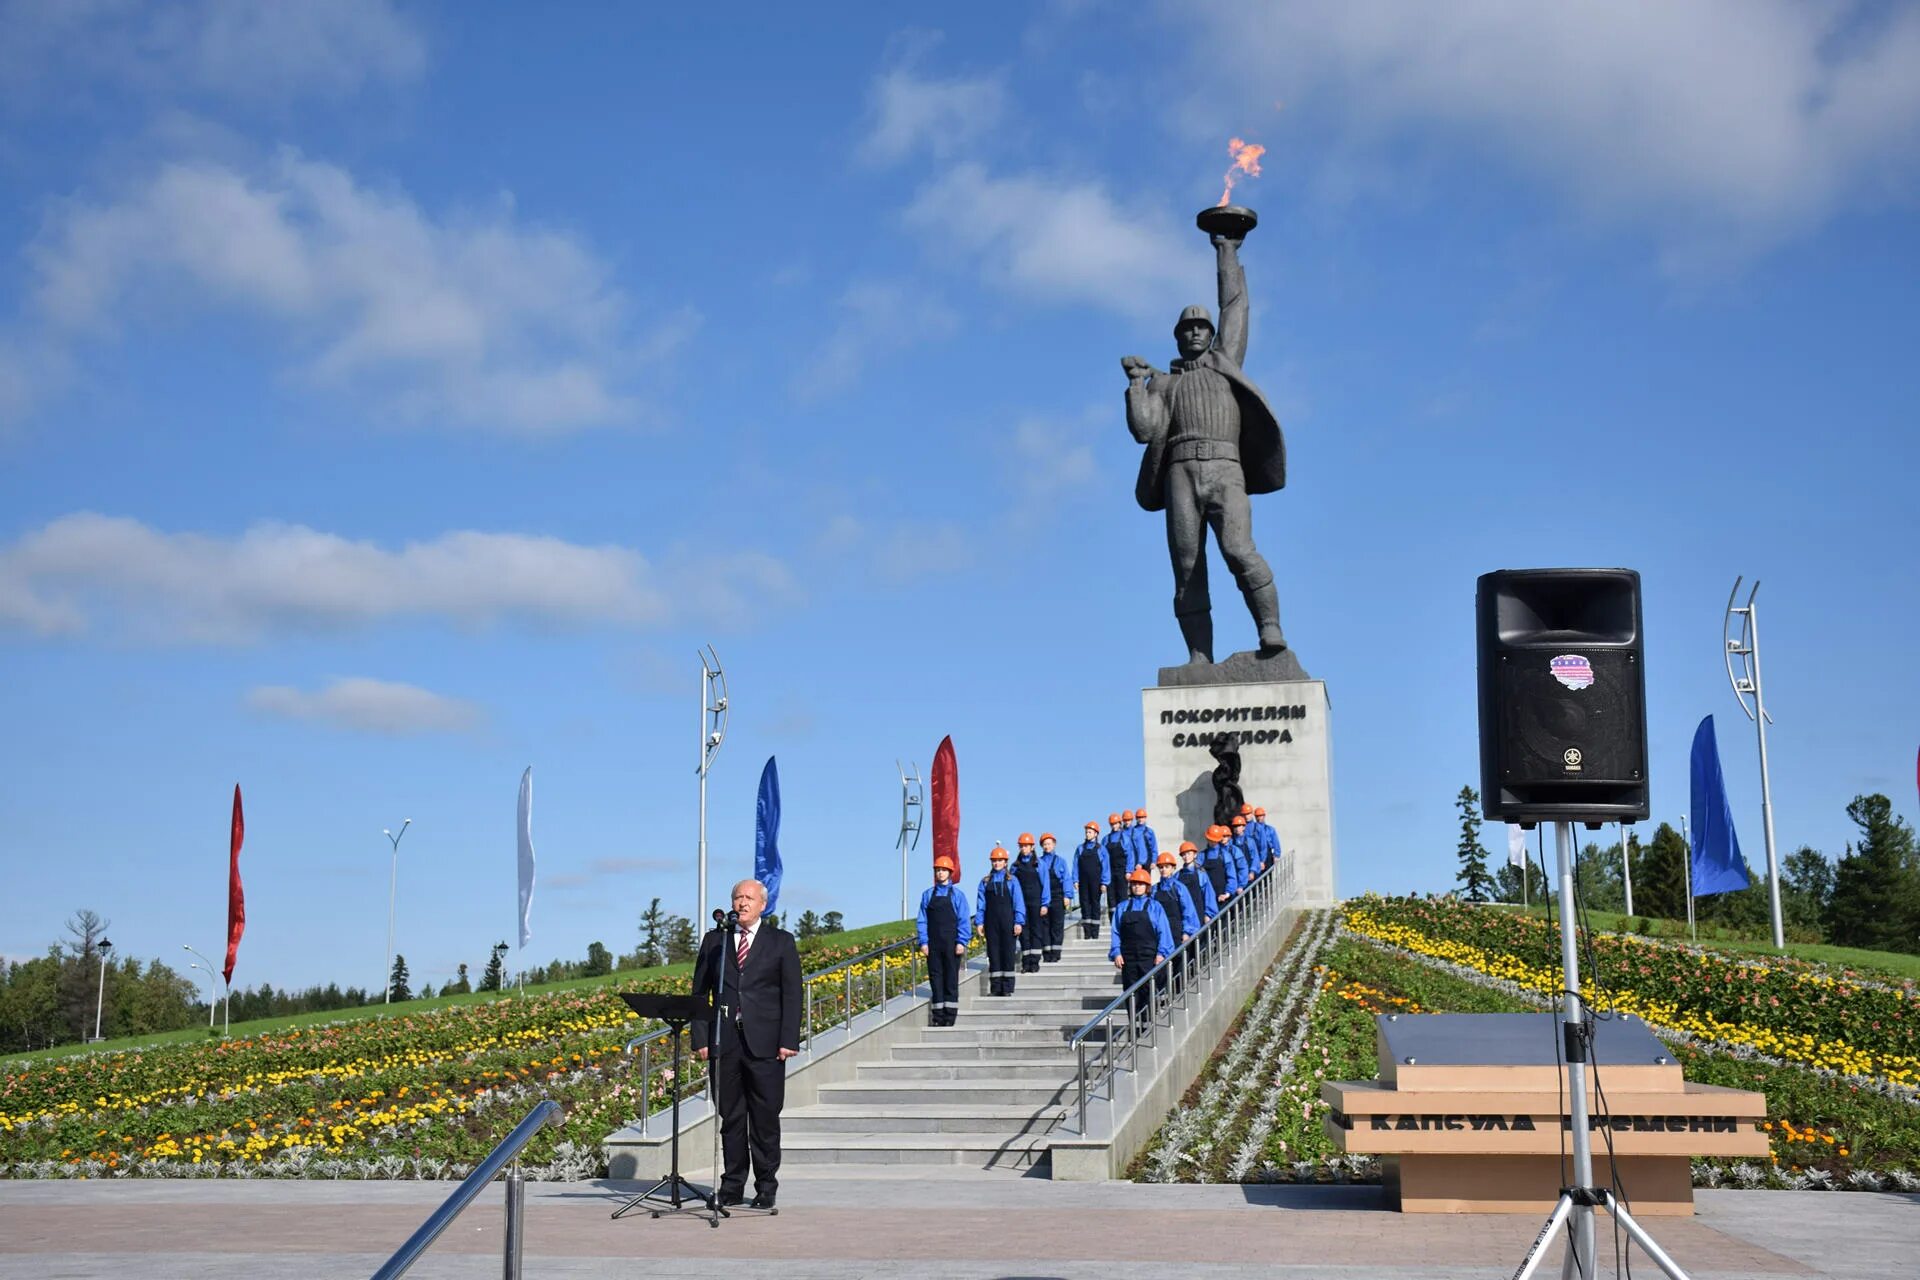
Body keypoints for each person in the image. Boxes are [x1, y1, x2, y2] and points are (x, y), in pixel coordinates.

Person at [1121, 226, 1287, 665]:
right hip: (1179, 473)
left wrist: (1226, 249)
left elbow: (1236, 306)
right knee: (1188, 568)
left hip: (1226, 468)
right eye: (1187, 328)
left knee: (1238, 548)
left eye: (1201, 327)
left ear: (1211, 334)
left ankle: (1270, 628)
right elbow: (1144, 431)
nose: (1195, 333)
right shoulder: (1165, 383)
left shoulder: (1224, 362)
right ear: (1177, 336)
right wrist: (1137, 386)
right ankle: (1199, 656)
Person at [692, 878, 801, 1211]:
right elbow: (699, 993)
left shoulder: (780, 942)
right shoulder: (716, 941)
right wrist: (701, 1038)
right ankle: (731, 1185)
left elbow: (792, 994)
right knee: (732, 1117)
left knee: (765, 1118)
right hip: (724, 1042)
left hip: (767, 1043)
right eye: (737, 897)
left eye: (748, 898)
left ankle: (766, 1185)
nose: (741, 903)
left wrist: (788, 1039)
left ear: (762, 905)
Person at [1109, 868, 1174, 1031]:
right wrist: (1116, 952)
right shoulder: (1122, 907)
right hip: (1128, 958)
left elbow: (1163, 931)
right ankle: (1134, 1027)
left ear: (1147, 887)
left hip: (1149, 957)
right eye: (1135, 884)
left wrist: (1161, 953)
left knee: (1148, 992)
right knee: (1130, 993)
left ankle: (1148, 1027)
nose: (1137, 887)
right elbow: (1115, 932)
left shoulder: (1155, 907)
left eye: (1141, 884)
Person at [916, 856, 971, 1026]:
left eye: (943, 870)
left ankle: (950, 1016)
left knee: (951, 979)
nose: (940, 873)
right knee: (935, 978)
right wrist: (923, 942)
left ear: (950, 873)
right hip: (933, 944)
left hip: (952, 943)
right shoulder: (927, 895)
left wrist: (962, 941)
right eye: (938, 870)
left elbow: (963, 919)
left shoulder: (957, 895)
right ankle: (938, 1015)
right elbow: (922, 920)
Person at [973, 846, 1026, 996]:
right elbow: (981, 904)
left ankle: (1007, 988)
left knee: (1008, 954)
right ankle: (996, 988)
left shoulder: (1012, 881)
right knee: (994, 954)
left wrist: (1019, 922)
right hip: (991, 923)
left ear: (1005, 862)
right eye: (994, 861)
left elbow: (1018, 902)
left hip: (1008, 922)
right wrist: (980, 922)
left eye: (1000, 860)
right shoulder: (984, 882)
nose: (997, 863)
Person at [1010, 834, 1050, 974]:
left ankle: (1035, 962)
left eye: (1026, 846)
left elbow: (1045, 885)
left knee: (1036, 932)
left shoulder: (1040, 864)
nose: (1024, 849)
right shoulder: (1015, 867)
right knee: (1024, 934)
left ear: (1032, 847)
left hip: (1036, 903)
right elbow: (1011, 887)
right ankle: (1025, 962)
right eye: (1021, 846)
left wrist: (1045, 904)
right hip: (1021, 904)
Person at [1036, 833, 1072, 963]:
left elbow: (1066, 879)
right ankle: (1046, 953)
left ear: (1054, 844)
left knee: (1057, 926)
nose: (1047, 846)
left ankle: (1056, 953)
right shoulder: (1038, 862)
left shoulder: (1060, 861)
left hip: (1057, 896)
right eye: (1044, 844)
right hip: (1043, 899)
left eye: (1049, 844)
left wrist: (1067, 895)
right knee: (1044, 926)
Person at [1075, 821, 1108, 940]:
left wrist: (1104, 882)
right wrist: (1075, 880)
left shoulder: (1101, 849)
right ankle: (1087, 932)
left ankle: (1095, 933)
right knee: (1084, 905)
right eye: (1086, 832)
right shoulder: (1080, 848)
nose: (1087, 834)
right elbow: (1075, 865)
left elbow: (1105, 867)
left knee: (1095, 904)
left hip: (1096, 881)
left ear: (1096, 834)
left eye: (1090, 832)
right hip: (1083, 881)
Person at [1103, 812, 1131, 896]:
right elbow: (1102, 858)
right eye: (1112, 824)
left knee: (1122, 894)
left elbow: (1130, 855)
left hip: (1122, 871)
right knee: (1111, 896)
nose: (1114, 826)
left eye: (1115, 823)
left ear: (1119, 823)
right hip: (1110, 871)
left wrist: (1129, 871)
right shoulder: (1106, 839)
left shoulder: (1125, 838)